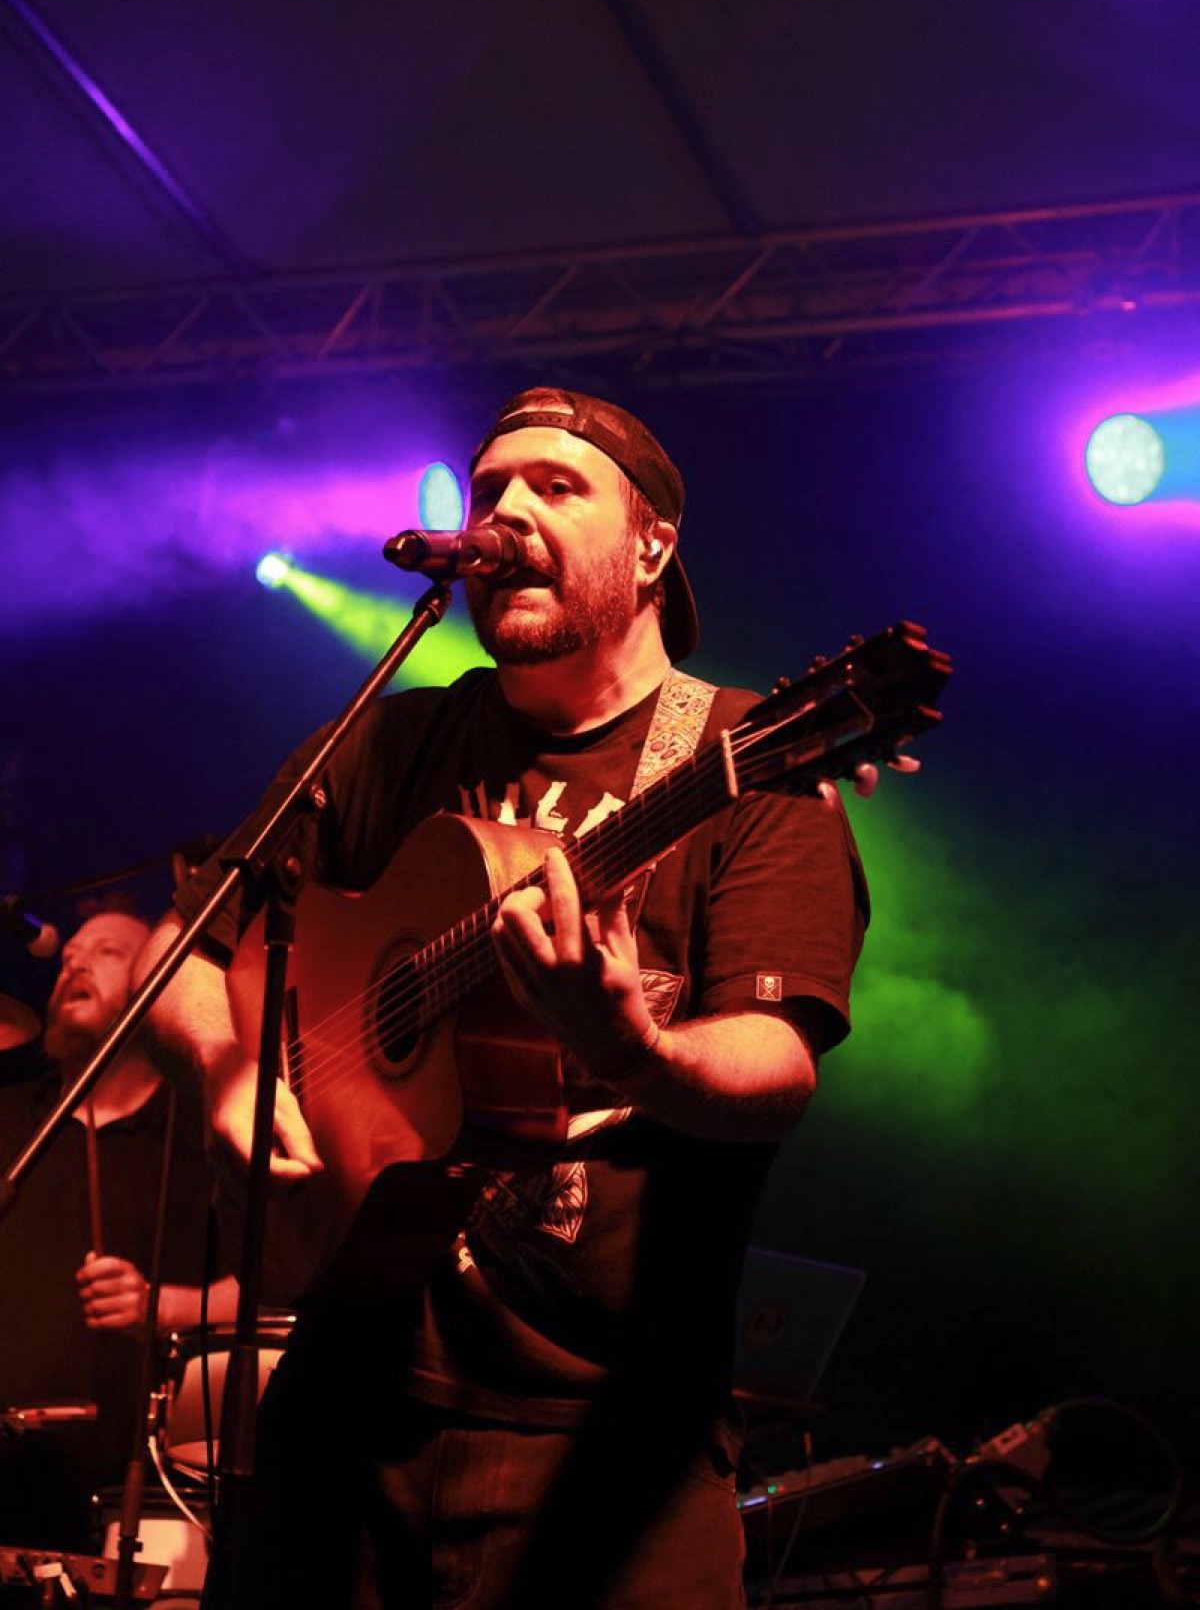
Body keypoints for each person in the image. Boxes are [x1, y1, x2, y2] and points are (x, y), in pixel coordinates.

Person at [141, 387, 870, 1608]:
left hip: (606, 1442)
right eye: (490, 491)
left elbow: (777, 1067)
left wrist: (636, 1055)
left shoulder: (748, 766)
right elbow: (186, 952)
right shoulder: (383, 745)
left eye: (557, 486)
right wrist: (229, 1072)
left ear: (653, 548)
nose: (506, 513)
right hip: (341, 1409)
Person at [0, 911, 237, 1551]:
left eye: (106, 951)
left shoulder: (206, 1135)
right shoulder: (7, 1122)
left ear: (158, 985)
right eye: (68, 956)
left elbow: (277, 1288)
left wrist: (162, 1305)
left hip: (143, 1508)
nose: (74, 963)